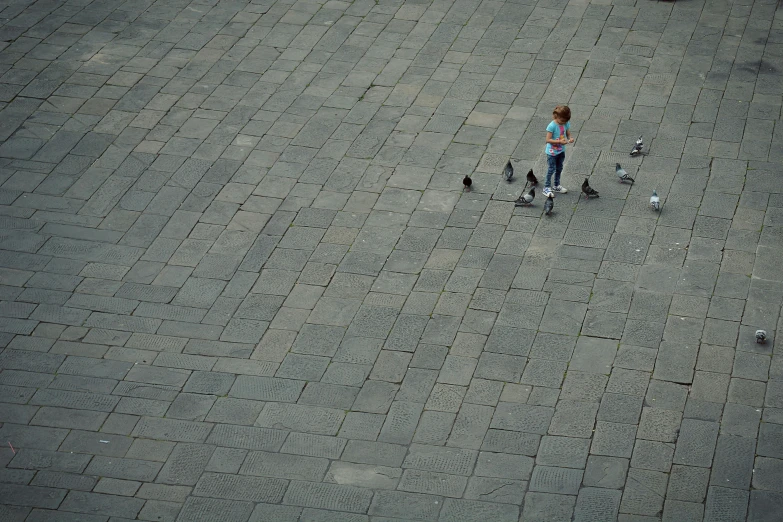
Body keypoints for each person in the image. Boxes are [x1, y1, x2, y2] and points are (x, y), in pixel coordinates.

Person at [543, 105, 574, 197]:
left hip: (561, 150)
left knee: (559, 168)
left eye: (565, 121)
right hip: (552, 152)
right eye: (562, 120)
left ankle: (556, 185)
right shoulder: (552, 126)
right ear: (556, 116)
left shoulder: (565, 123)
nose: (564, 123)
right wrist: (559, 141)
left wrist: (570, 138)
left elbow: (568, 133)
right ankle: (546, 187)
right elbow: (548, 140)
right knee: (551, 169)